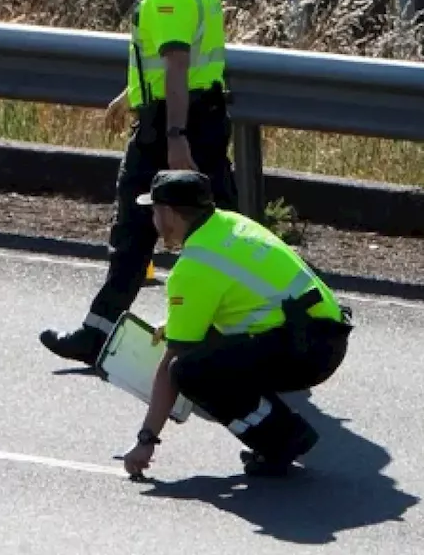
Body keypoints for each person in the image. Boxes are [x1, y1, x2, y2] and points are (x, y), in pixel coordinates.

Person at [40, 0, 238, 365]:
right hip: (199, 116)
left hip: (172, 126)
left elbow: (175, 63)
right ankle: (239, 336)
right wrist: (129, 96)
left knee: (133, 229)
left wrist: (173, 138)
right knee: (218, 231)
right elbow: (176, 58)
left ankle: (98, 336)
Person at [118, 170, 354, 478]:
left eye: (153, 209)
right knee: (206, 353)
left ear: (168, 213)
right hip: (326, 335)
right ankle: (283, 431)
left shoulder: (194, 267)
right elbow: (241, 297)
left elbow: (173, 364)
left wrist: (146, 440)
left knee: (190, 372)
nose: (152, 217)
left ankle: (281, 439)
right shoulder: (231, 224)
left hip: (305, 353)